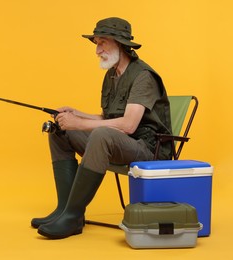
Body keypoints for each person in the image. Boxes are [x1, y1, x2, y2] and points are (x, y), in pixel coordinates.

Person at [32, 17, 173, 239]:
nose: (97, 50)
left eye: (102, 42)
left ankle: (72, 214)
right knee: (60, 129)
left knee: (101, 134)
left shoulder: (143, 76)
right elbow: (107, 118)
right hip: (119, 143)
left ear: (120, 44)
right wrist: (75, 114)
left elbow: (127, 124)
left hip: (148, 151)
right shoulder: (112, 75)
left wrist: (81, 123)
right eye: (96, 43)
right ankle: (65, 211)